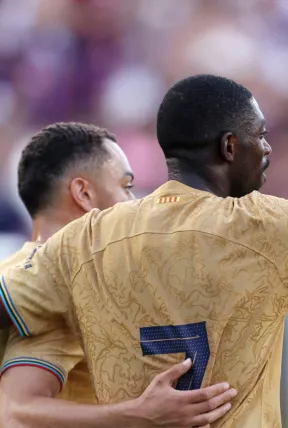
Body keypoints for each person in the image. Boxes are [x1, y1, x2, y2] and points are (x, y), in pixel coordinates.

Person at [0, 27, 288, 427]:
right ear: (230, 147)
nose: (268, 148)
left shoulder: (85, 241)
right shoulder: (266, 226)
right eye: (261, 136)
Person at [0, 122, 237, 427]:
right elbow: (16, 413)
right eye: (126, 186)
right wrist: (141, 415)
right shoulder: (63, 284)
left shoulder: (13, 273)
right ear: (83, 193)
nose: (134, 202)